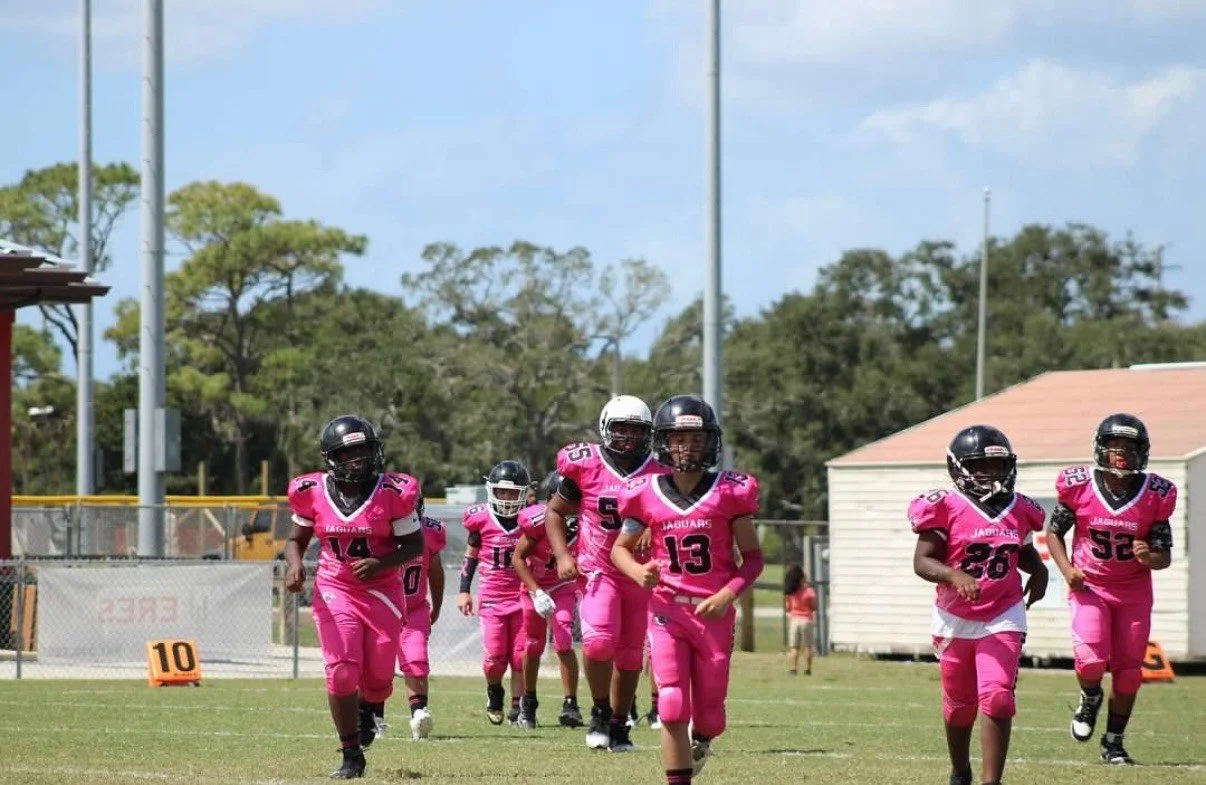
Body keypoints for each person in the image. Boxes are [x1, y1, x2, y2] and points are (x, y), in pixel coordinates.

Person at [613, 394, 765, 784]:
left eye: (696, 440)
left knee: (711, 717)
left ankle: (703, 741)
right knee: (673, 703)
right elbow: (619, 550)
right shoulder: (645, 491)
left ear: (711, 442)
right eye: (679, 439)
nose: (687, 447)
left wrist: (727, 594)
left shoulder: (731, 491)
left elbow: (752, 559)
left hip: (713, 613)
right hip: (666, 611)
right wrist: (636, 571)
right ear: (664, 441)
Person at [284, 415, 424, 779]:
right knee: (342, 672)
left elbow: (414, 544)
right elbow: (295, 540)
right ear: (331, 458)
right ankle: (350, 754)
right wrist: (295, 565)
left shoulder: (394, 492)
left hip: (383, 589)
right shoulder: (311, 491)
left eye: (364, 449)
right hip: (336, 587)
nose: (358, 458)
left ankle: (368, 706)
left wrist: (380, 563)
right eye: (349, 453)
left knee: (378, 679)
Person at [910, 425, 1048, 785]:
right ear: (960, 468)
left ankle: (991, 781)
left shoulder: (1020, 509)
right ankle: (960, 769)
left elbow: (1023, 550)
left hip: (1003, 613)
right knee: (958, 708)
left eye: (999, 467)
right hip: (954, 617)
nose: (993, 475)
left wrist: (1040, 571)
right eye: (982, 467)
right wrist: (955, 576)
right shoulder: (944, 506)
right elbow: (922, 561)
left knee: (999, 698)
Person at [1045, 413, 1176, 765]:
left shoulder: (1156, 494)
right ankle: (1090, 697)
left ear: (1142, 452)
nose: (1122, 453)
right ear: (1101, 448)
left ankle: (1114, 742)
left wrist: (1151, 556)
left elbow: (1165, 555)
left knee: (1130, 673)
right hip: (1090, 585)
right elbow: (1053, 532)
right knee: (1090, 660)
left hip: (1133, 590)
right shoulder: (1079, 486)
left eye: (1130, 447)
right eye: (1116, 445)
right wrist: (1067, 569)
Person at [543, 394, 669, 752]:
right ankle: (599, 711)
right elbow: (554, 512)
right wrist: (563, 555)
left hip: (639, 573)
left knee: (630, 654)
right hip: (599, 569)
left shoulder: (661, 472)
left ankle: (618, 723)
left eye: (636, 429)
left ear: (649, 433)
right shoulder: (586, 465)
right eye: (621, 428)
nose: (628, 436)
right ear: (604, 428)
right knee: (598, 642)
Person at [456, 460, 530, 725]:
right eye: (502, 491)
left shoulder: (530, 519)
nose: (507, 497)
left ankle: (516, 707)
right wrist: (464, 591)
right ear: (491, 491)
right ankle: (495, 692)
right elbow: (471, 556)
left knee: (521, 656)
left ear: (523, 492)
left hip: (523, 596)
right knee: (495, 657)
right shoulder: (480, 519)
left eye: (512, 492)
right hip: (492, 598)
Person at [511, 471, 584, 729]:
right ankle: (528, 702)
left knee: (564, 640)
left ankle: (571, 703)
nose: (572, 505)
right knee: (532, 645)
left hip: (563, 586)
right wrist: (535, 591)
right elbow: (518, 558)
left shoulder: (585, 521)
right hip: (536, 587)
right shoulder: (538, 520)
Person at [386, 497, 446, 741]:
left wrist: (438, 607)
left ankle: (419, 713)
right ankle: (372, 717)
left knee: (417, 661)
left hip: (414, 609)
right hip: (384, 608)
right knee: (376, 670)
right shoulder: (378, 531)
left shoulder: (430, 531)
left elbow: (436, 572)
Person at [783, 565, 816, 676]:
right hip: (806, 619)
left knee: (794, 647)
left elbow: (788, 607)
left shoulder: (790, 591)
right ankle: (808, 669)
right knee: (808, 646)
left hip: (795, 620)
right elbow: (814, 606)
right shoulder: (809, 591)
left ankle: (793, 668)